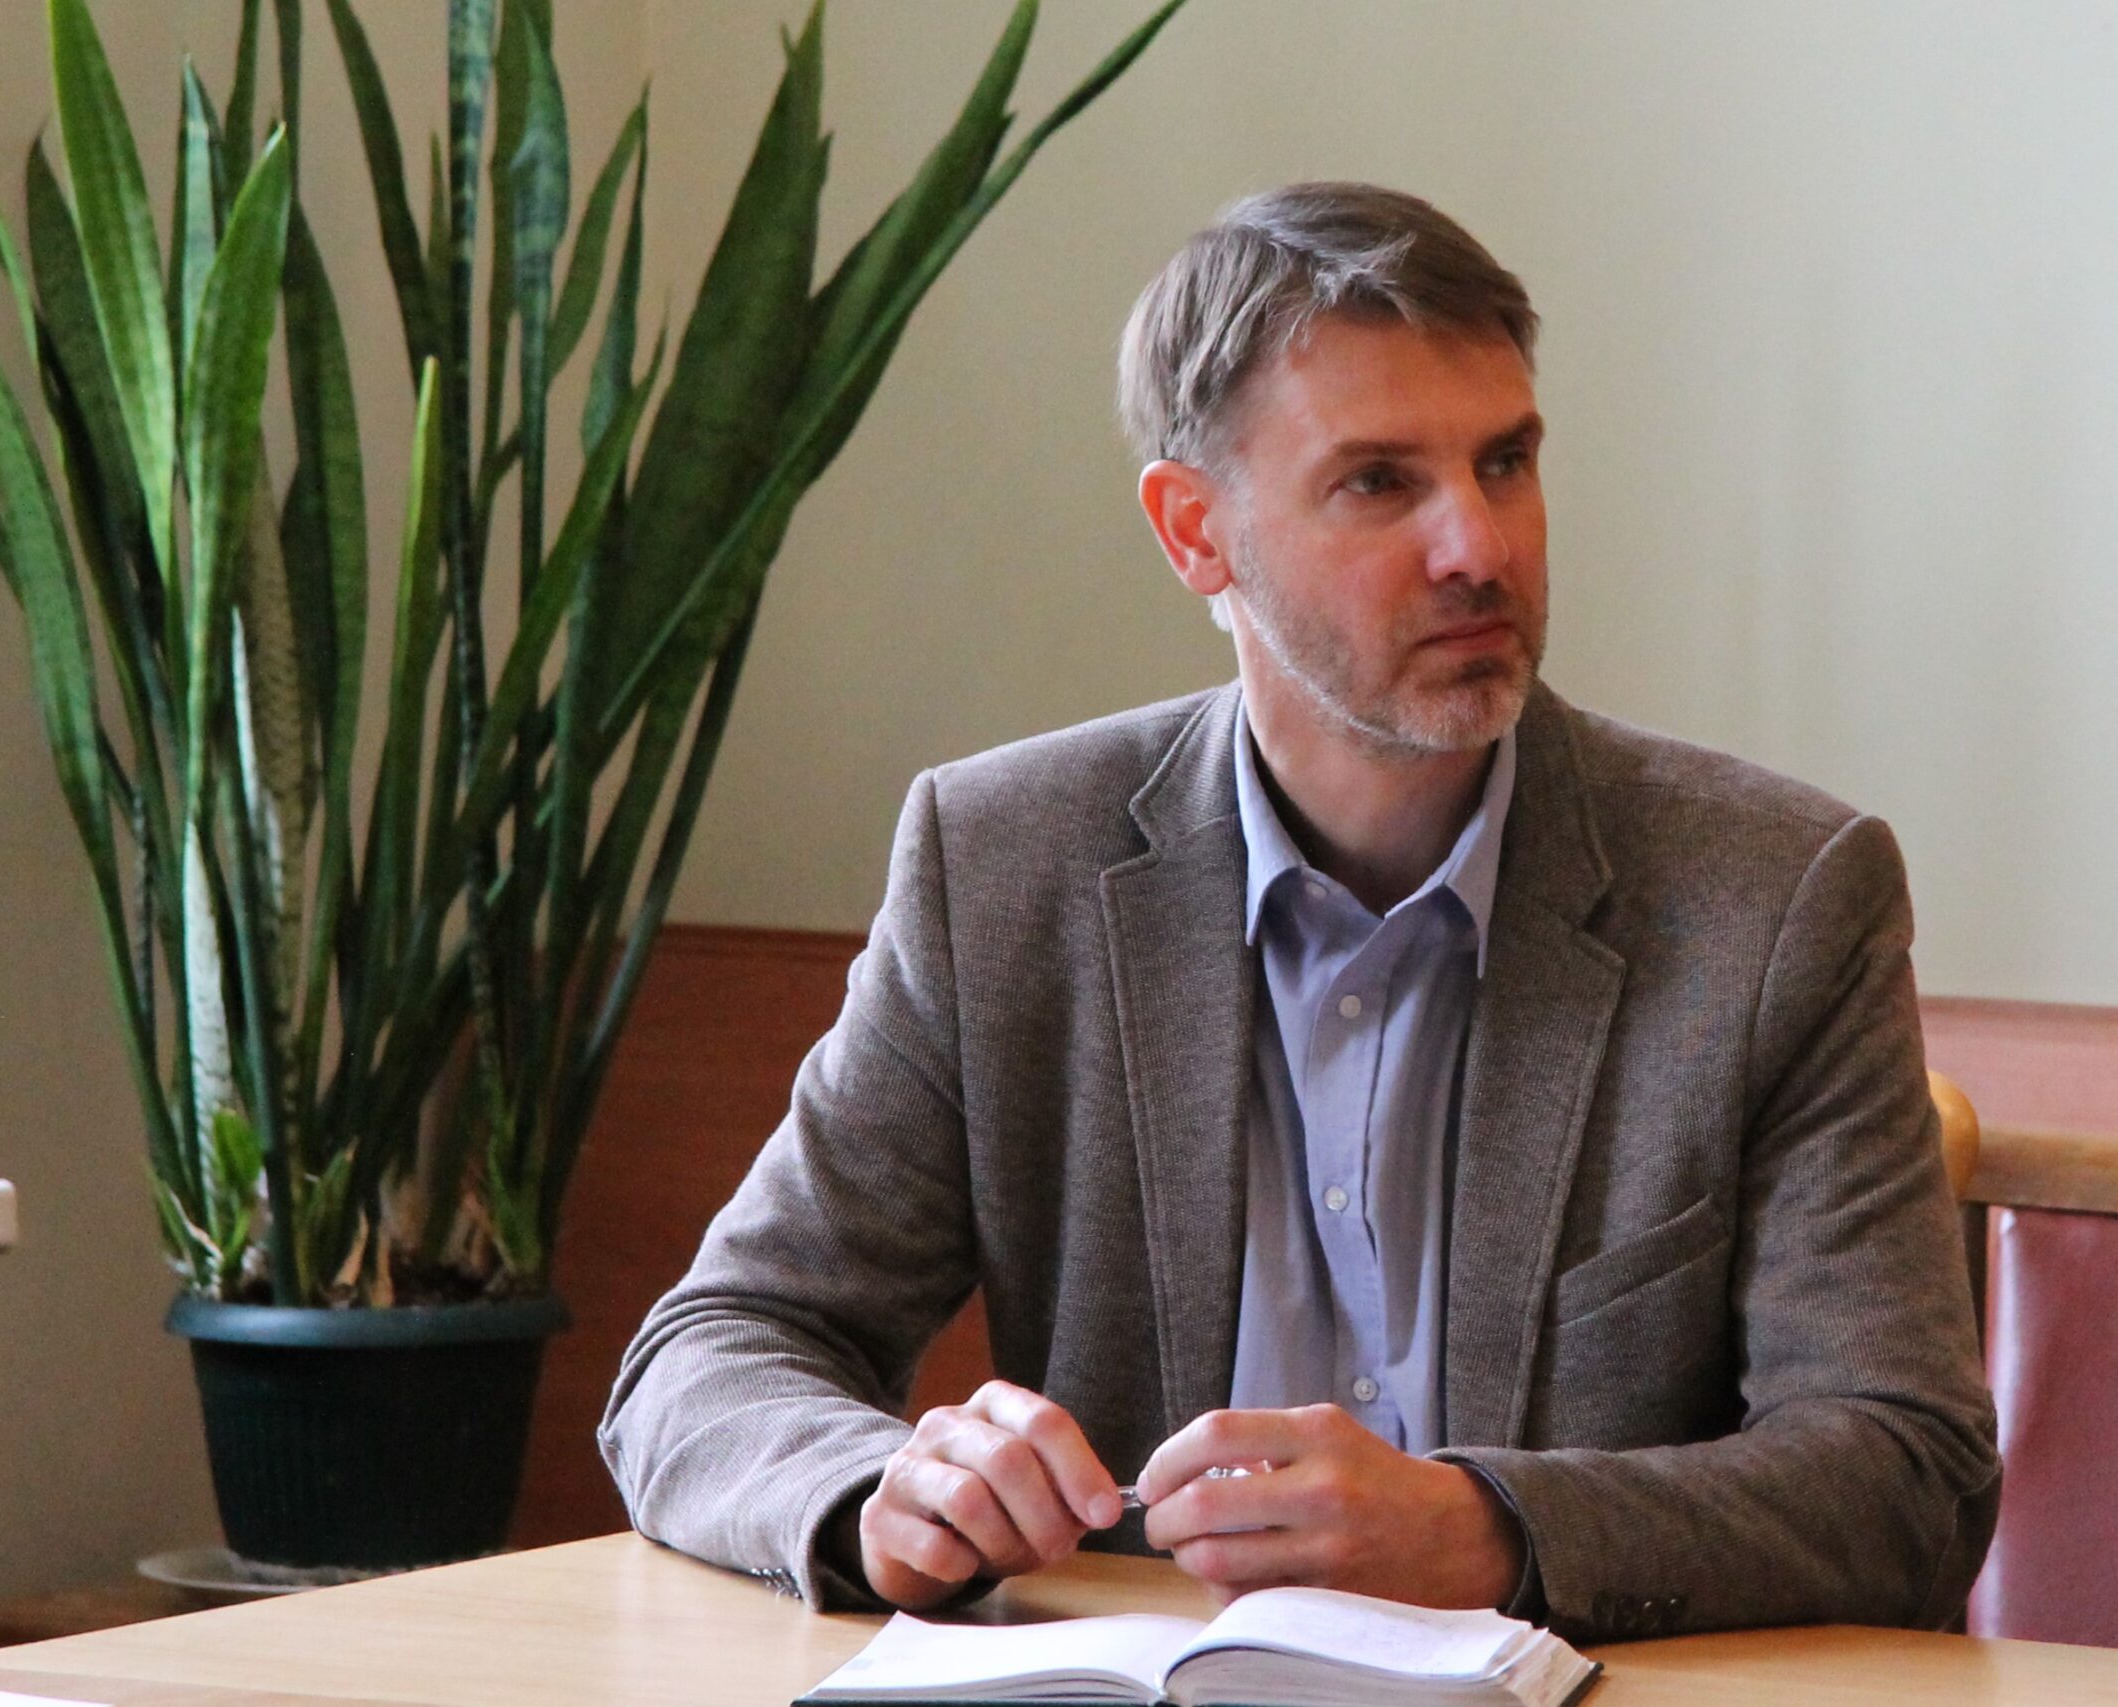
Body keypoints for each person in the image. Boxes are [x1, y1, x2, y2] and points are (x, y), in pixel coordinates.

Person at [600, 182, 1998, 1643]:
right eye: (1381, 483)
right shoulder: (1004, 867)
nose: (1478, 546)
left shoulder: (1773, 896)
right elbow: (711, 1353)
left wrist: (1491, 1531)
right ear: (1195, 532)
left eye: (1506, 461)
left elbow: (1907, 1476)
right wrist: (878, 1491)